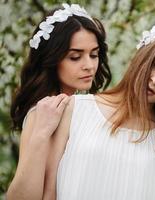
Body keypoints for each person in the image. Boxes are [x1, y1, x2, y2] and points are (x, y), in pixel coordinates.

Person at [7, 3, 111, 200]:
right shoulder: (45, 111)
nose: (89, 66)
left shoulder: (81, 107)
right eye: (75, 57)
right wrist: (40, 134)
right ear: (52, 59)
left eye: (94, 55)